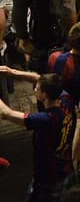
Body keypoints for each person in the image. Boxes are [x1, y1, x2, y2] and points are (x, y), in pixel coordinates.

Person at [0, 72, 74, 201]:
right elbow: (39, 78)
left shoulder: (45, 119)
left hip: (48, 176)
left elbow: (7, 113)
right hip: (64, 167)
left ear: (45, 95)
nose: (34, 89)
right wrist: (10, 71)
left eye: (37, 88)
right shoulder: (66, 99)